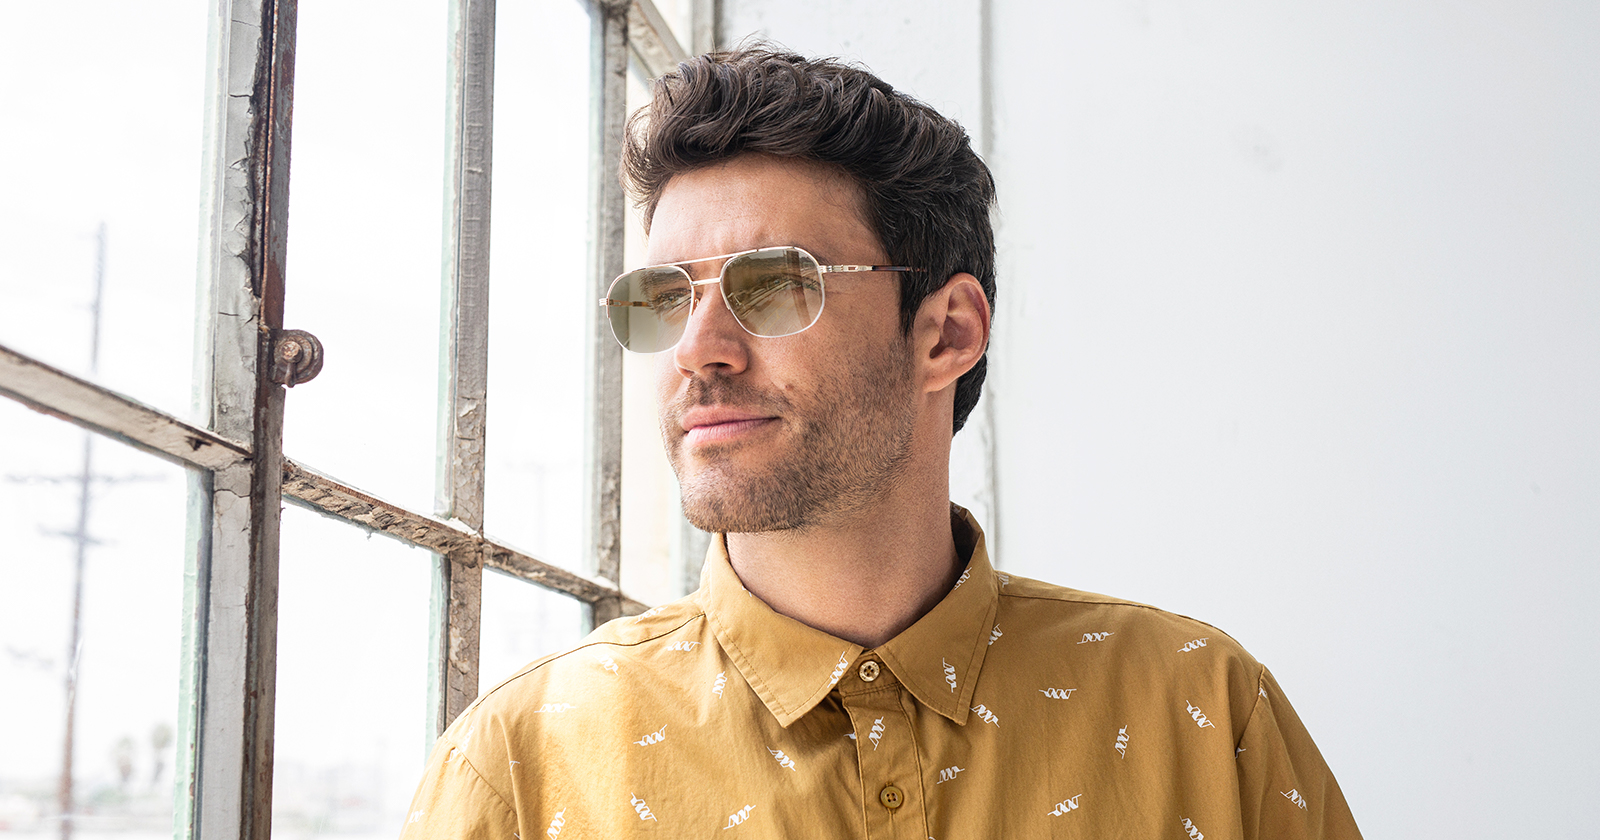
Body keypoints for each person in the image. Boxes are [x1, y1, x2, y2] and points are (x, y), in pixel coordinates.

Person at [401, 46, 1362, 839]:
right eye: (664, 298)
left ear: (946, 333)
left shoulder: (1201, 714)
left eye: (771, 284)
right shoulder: (521, 765)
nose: (698, 349)